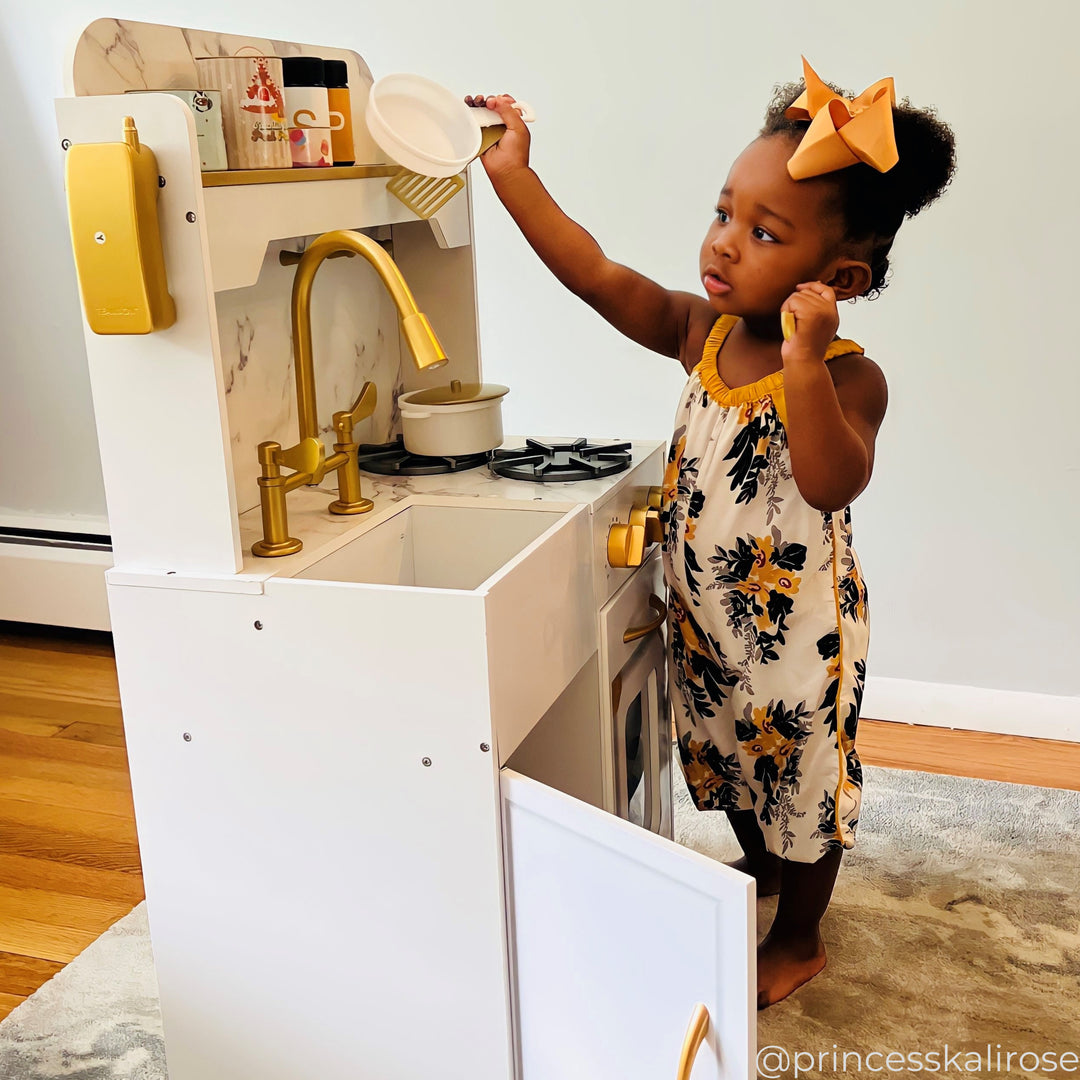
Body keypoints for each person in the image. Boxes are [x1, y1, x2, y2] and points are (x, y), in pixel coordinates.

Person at [467, 56, 956, 1009]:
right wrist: (513, 174)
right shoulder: (706, 333)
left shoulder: (851, 378)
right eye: (724, 212)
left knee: (801, 785)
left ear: (838, 278)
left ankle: (800, 933)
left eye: (764, 232)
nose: (725, 243)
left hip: (798, 641)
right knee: (727, 758)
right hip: (701, 617)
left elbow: (828, 479)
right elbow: (598, 276)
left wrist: (808, 363)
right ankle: (757, 863)